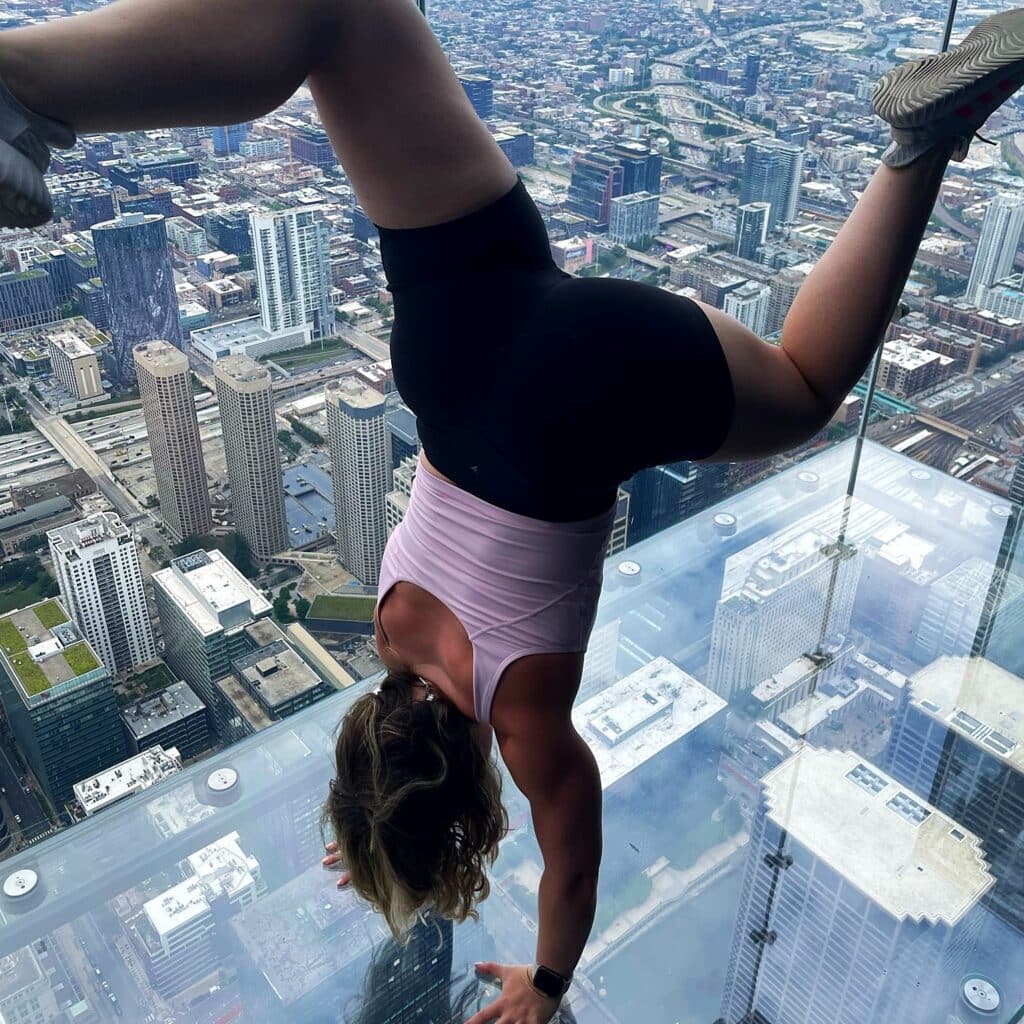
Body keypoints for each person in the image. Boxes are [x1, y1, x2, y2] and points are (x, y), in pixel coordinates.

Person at [2, 1, 1023, 1020]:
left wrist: (547, 984)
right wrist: (371, 823)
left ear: (477, 805)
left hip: (583, 391)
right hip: (459, 344)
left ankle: (918, 144)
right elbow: (392, 753)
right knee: (339, 18)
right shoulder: (385, 631)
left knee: (801, 390)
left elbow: (571, 866)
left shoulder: (526, 716)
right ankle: (31, 87)